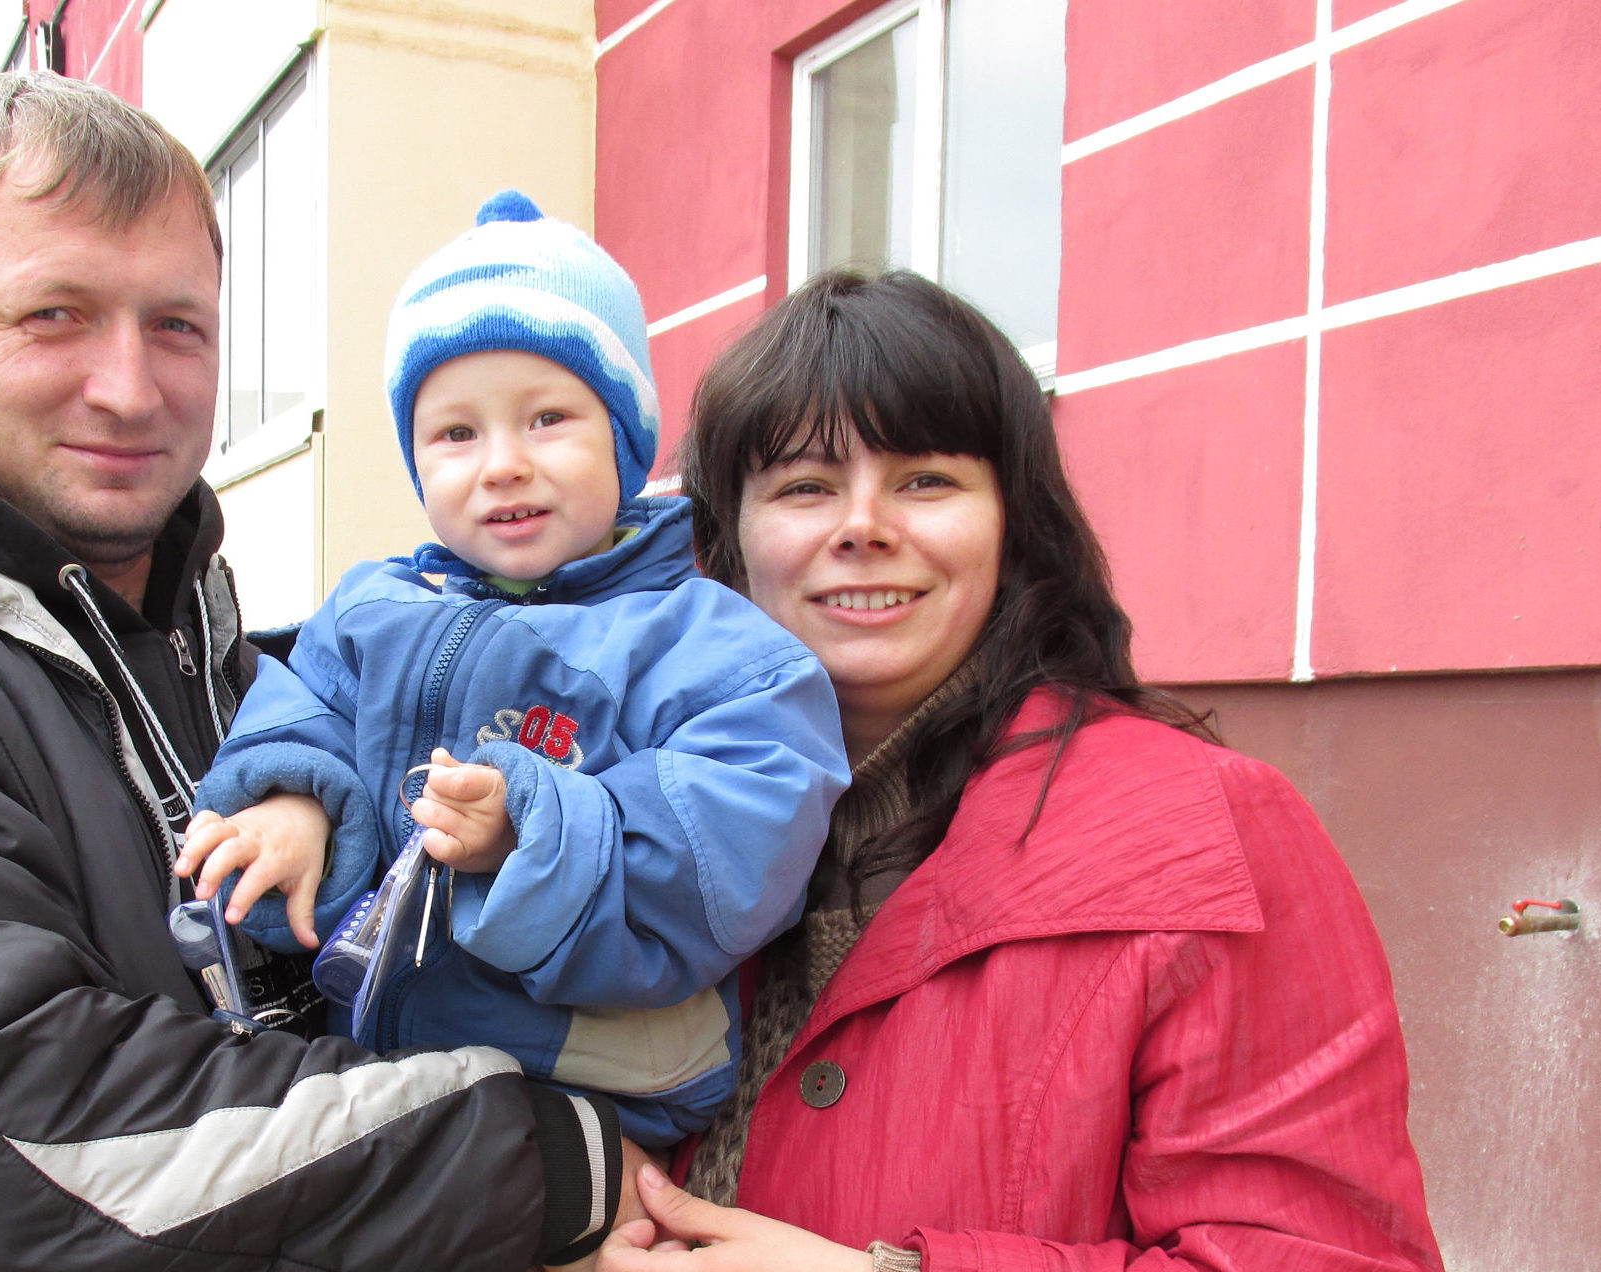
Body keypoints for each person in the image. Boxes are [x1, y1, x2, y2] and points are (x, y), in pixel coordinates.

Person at [0, 73, 638, 1272]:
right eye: (52, 315)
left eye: (176, 325)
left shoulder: (263, 671)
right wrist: (564, 1155)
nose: (127, 388)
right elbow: (27, 1150)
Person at [597, 271, 1444, 1270]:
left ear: (1013, 523)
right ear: (726, 540)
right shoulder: (631, 819)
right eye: (804, 486)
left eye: (925, 480)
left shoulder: (1204, 831)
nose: (863, 525)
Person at [177, 192, 848, 1146]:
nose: (502, 465)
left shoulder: (703, 641)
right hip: (379, 1081)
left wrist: (530, 836)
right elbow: (305, 709)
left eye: (547, 419)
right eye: (457, 433)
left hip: (596, 1089)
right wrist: (296, 805)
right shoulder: (375, 608)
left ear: (624, 439)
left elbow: (735, 845)